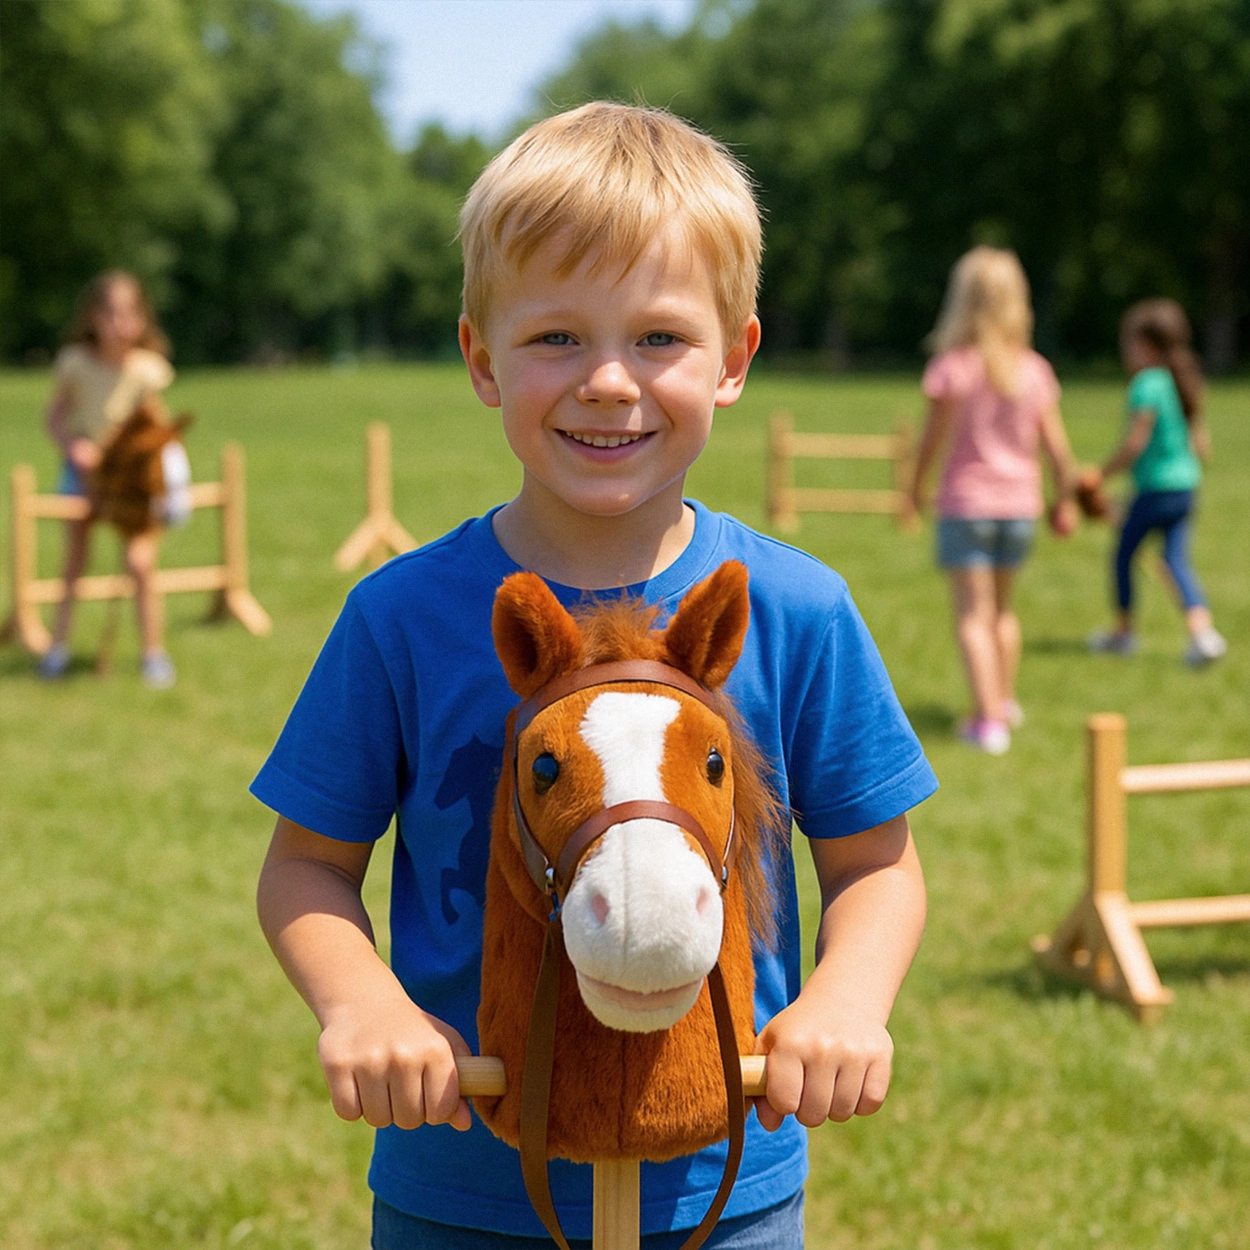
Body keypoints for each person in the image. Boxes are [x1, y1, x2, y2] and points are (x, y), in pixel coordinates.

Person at [253, 102, 937, 1249]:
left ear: (734, 358)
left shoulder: (798, 608)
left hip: (723, 1184)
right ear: (481, 357)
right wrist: (365, 1005)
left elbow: (876, 865)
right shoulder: (401, 615)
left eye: (660, 338)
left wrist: (844, 1000)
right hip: (460, 1183)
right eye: (556, 338)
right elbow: (305, 870)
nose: (609, 381)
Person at [908, 246, 1077, 756]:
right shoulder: (1035, 371)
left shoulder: (952, 369)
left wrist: (914, 491)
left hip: (966, 506)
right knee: (1004, 612)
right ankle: (1003, 700)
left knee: (972, 617)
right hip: (1020, 508)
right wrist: (1063, 501)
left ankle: (987, 721)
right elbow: (1060, 452)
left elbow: (929, 443)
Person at [39, 270, 178, 688]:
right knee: (74, 563)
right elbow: (54, 419)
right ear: (93, 317)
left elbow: (156, 426)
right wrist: (73, 449)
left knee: (140, 562)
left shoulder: (146, 370)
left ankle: (153, 654)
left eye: (129, 314)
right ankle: (57, 649)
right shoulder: (75, 364)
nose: (120, 324)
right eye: (112, 314)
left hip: (130, 482)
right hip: (82, 476)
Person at [1086, 298, 1226, 666]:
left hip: (1155, 490)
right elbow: (1201, 443)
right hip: (1185, 488)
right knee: (1175, 559)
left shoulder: (1147, 383)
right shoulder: (1181, 380)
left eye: (1129, 344)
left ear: (1146, 345)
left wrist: (1101, 475)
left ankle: (1123, 632)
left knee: (1122, 556)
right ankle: (1202, 633)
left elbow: (1136, 440)